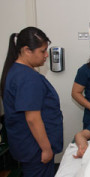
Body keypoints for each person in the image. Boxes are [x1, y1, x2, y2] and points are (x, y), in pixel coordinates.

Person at [0, 27, 63, 177]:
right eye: (42, 51)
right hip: (36, 149)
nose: (46, 55)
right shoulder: (27, 77)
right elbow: (32, 118)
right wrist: (46, 149)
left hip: (28, 146)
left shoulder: (16, 71)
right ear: (27, 50)